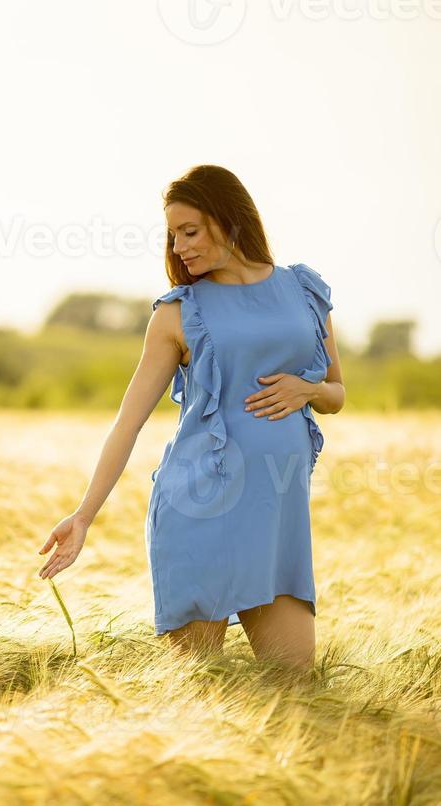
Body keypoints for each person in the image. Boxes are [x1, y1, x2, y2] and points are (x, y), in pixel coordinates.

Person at [38, 164, 345, 676]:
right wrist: (84, 516)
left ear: (229, 219)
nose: (178, 247)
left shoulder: (304, 292)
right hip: (199, 513)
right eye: (172, 234)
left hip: (276, 522)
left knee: (297, 686)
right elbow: (128, 422)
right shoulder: (178, 313)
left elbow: (336, 394)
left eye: (190, 230)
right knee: (198, 690)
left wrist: (308, 389)